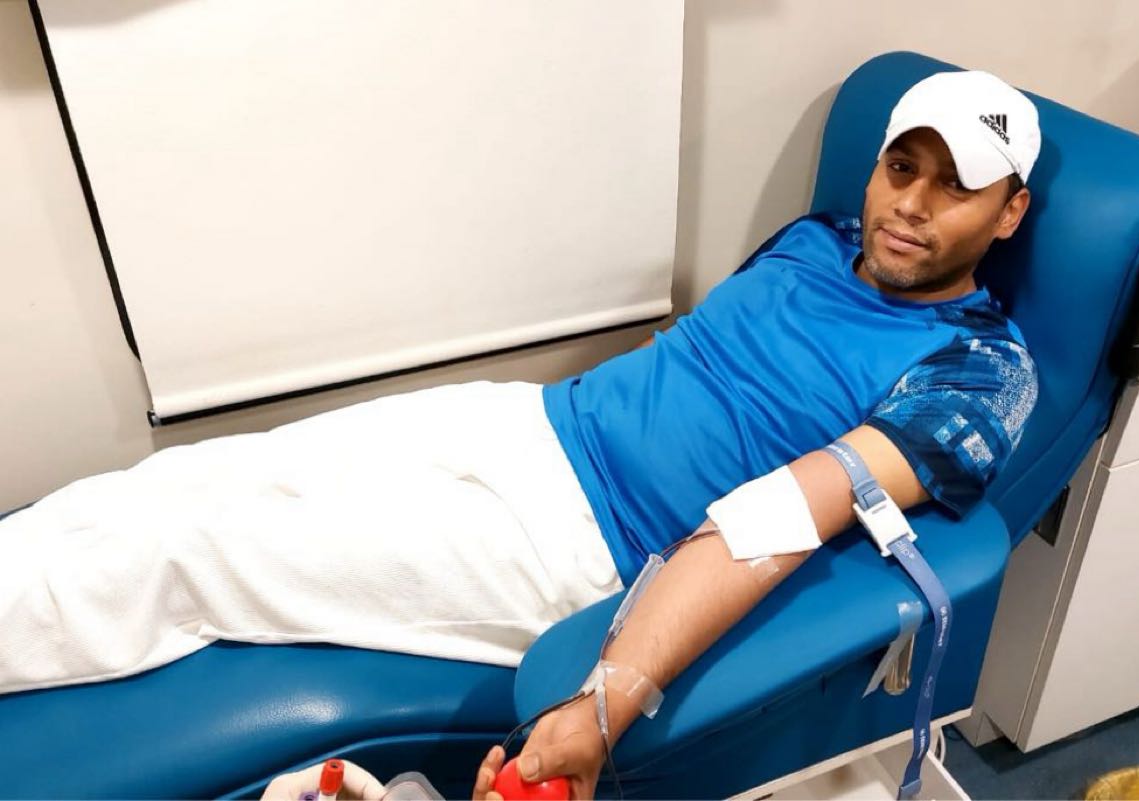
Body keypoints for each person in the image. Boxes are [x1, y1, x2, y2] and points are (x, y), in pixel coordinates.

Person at [0, 70, 1039, 800]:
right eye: (902, 167)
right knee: (193, 477)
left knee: (197, 549)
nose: (912, 204)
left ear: (1009, 212)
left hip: (582, 545)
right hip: (531, 421)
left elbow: (781, 518)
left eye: (956, 186)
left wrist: (607, 698)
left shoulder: (978, 369)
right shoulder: (819, 239)